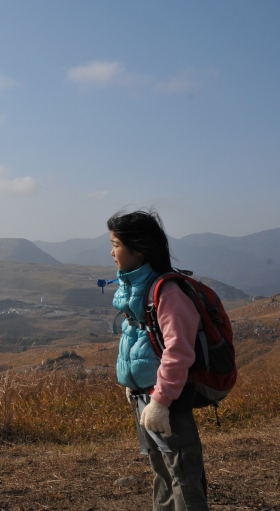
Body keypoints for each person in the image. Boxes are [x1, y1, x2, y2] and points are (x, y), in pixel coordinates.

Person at [108, 209, 208, 511]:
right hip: (147, 398)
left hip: (168, 401)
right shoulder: (138, 288)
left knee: (184, 477)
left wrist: (161, 401)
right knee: (163, 475)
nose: (111, 252)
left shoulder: (167, 292)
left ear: (138, 249)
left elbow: (179, 352)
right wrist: (133, 384)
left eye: (116, 244)